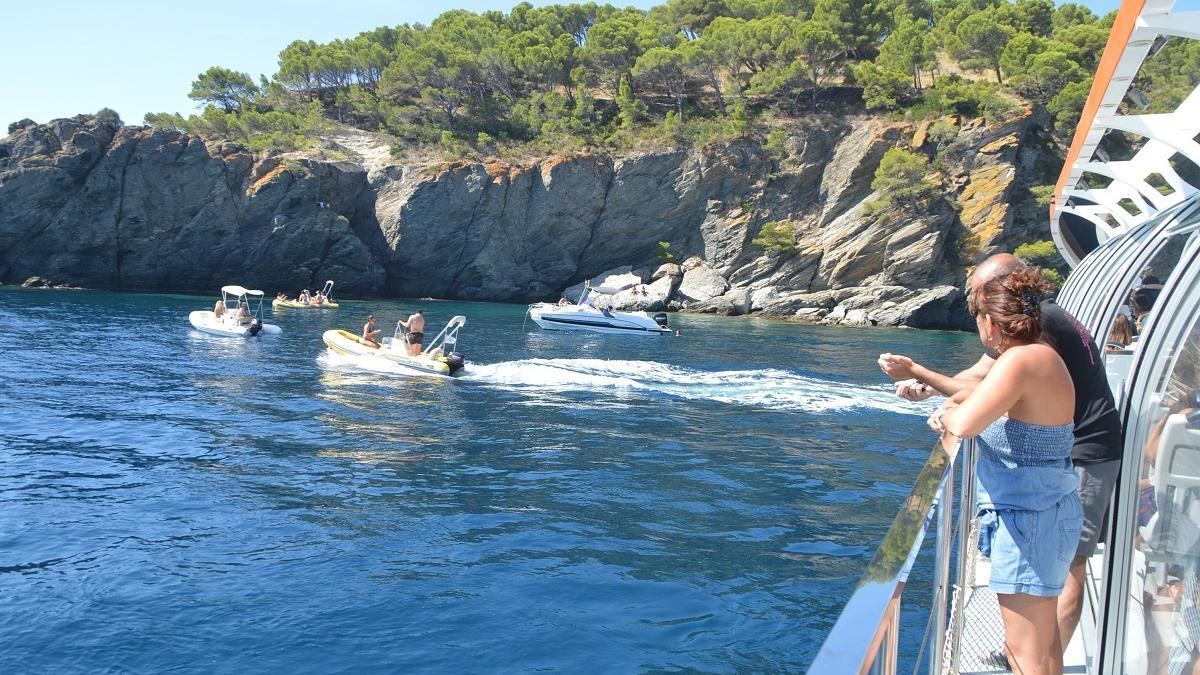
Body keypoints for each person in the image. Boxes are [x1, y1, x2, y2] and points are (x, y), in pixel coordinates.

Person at [879, 253, 1123, 656]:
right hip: (1057, 462)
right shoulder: (1030, 332)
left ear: (1001, 299)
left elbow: (979, 403)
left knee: (1071, 568)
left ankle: (1036, 653)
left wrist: (947, 404)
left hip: (1083, 451)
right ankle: (1037, 652)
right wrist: (928, 383)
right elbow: (983, 379)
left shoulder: (1035, 338)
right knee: (1045, 607)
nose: (976, 307)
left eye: (979, 300)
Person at [928, 267, 1082, 674]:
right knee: (1044, 645)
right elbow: (985, 400)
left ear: (990, 323)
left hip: (1030, 518)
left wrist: (947, 413)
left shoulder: (1019, 361)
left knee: (1023, 652)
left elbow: (965, 424)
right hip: (1047, 507)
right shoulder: (1040, 354)